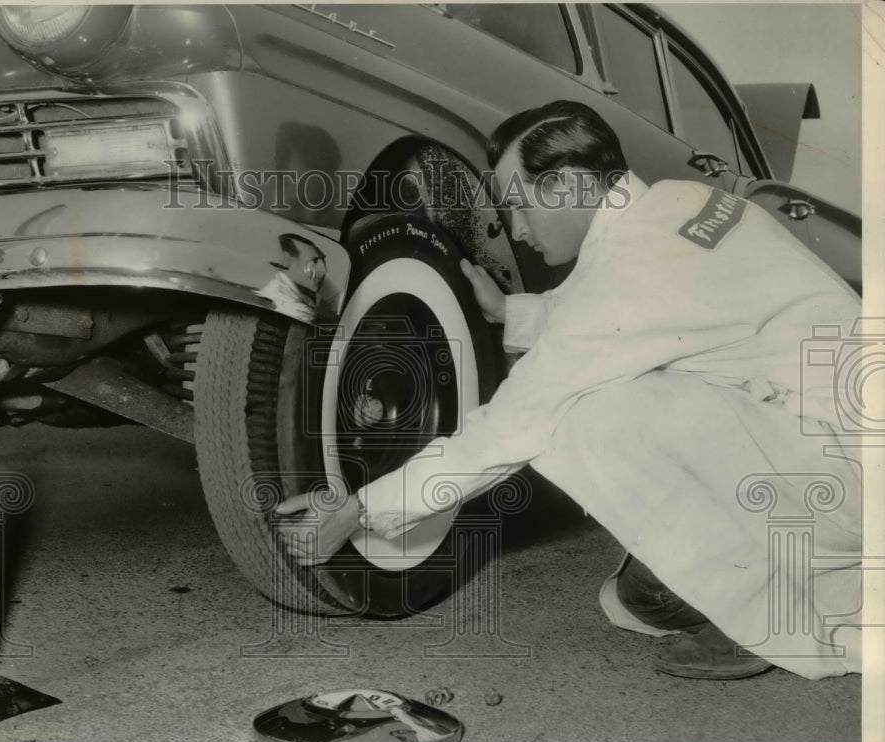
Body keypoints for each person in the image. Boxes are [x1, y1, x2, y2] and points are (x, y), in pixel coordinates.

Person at [274, 101, 862, 680]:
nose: (518, 232)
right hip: (840, 446)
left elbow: (511, 426)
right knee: (631, 539)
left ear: (567, 185)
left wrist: (360, 508)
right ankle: (719, 573)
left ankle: (762, 616)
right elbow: (634, 309)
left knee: (580, 416)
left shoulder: (630, 278)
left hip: (841, 489)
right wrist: (512, 311)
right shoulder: (685, 201)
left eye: (518, 206)